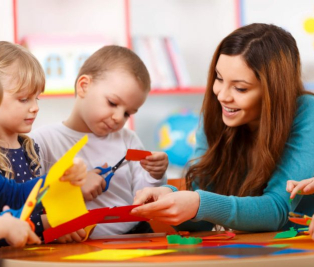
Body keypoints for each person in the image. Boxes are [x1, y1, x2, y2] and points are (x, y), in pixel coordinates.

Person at [131, 23, 314, 232]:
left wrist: (199, 203)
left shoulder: (307, 113)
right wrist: (170, 196)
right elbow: (203, 217)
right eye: (218, 78)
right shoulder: (217, 116)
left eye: (240, 88)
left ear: (275, 91)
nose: (222, 95)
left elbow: (277, 209)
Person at [30, 45, 168, 238]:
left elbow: (144, 200)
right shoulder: (42, 141)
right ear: (84, 86)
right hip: (73, 242)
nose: (119, 117)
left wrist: (155, 175)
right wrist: (73, 189)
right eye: (112, 103)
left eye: (128, 113)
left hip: (135, 234)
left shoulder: (129, 140)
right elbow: (29, 202)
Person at [0, 41, 87, 243]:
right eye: (24, 99)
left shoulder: (30, 149)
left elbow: (30, 204)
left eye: (36, 98)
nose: (35, 107)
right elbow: (14, 201)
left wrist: (65, 176)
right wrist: (46, 225)